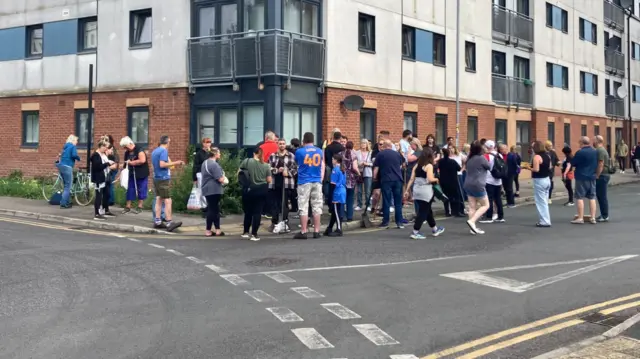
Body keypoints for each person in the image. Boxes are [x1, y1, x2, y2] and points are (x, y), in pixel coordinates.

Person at [405, 149, 445, 238]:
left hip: (416, 190)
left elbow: (411, 179)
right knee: (423, 211)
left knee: (427, 210)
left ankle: (435, 229)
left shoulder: (417, 165)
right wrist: (437, 179)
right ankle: (415, 232)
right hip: (426, 191)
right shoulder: (429, 166)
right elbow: (430, 179)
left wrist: (407, 190)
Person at [294, 132, 325, 240]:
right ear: (313, 140)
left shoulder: (299, 151)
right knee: (317, 205)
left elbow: (297, 163)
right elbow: (322, 165)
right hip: (316, 180)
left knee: (303, 206)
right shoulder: (319, 151)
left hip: (304, 181)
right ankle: (316, 231)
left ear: (303, 140)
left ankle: (304, 231)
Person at [151, 135, 184, 232]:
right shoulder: (163, 151)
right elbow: (162, 164)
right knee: (168, 200)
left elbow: (156, 165)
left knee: (158, 199)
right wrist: (176, 163)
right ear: (167, 142)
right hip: (163, 178)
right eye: (169, 142)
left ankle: (157, 221)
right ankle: (169, 223)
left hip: (156, 177)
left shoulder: (155, 151)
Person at [239, 147, 272, 241]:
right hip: (261, 190)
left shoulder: (247, 161)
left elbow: (239, 173)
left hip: (248, 189)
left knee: (248, 212)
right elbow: (269, 180)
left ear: (254, 153)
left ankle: (245, 232)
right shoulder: (266, 165)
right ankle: (254, 234)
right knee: (257, 212)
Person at [373, 140, 405, 229]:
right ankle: (399, 222)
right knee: (398, 202)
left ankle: (385, 222)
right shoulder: (397, 154)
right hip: (398, 179)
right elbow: (402, 165)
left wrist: (374, 178)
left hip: (386, 180)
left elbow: (376, 168)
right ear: (391, 146)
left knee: (386, 201)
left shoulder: (380, 154)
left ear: (384, 146)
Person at [268, 138, 297, 232]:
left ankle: (285, 221)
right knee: (275, 204)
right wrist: (277, 170)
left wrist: (287, 172)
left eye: (283, 144)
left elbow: (295, 169)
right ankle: (274, 222)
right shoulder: (273, 156)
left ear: (285, 145)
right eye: (280, 144)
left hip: (287, 183)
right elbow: (269, 168)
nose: (282, 145)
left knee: (285, 203)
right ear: (277, 145)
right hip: (275, 182)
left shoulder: (291, 156)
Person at [464, 141, 491, 234]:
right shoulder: (481, 158)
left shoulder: (469, 158)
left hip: (468, 183)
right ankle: (472, 221)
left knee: (472, 207)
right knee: (486, 205)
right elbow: (489, 167)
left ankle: (472, 228)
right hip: (478, 184)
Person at [571, 136, 598, 224]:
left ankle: (580, 217)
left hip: (581, 176)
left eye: (579, 143)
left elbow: (573, 163)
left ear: (582, 143)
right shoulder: (595, 151)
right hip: (592, 176)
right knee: (592, 197)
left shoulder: (580, 152)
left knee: (579, 197)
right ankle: (593, 217)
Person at [120, 136, 149, 214]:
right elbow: (125, 162)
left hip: (141, 173)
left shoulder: (139, 149)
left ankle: (140, 206)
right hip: (131, 173)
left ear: (130, 144)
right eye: (124, 147)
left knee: (141, 188)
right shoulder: (127, 152)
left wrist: (132, 163)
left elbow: (142, 160)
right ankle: (128, 206)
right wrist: (122, 171)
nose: (125, 149)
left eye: (125, 147)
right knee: (130, 188)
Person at [201, 147, 226, 237]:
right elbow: (220, 179)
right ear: (215, 154)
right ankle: (208, 230)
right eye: (219, 153)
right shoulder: (214, 165)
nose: (220, 154)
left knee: (214, 209)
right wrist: (224, 178)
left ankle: (217, 229)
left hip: (206, 188)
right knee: (213, 210)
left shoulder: (205, 163)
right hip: (214, 189)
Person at [479, 140, 505, 224]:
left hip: (489, 180)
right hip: (498, 180)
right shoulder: (499, 155)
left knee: (489, 199)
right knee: (498, 199)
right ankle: (500, 216)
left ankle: (489, 217)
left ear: (486, 147)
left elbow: (483, 167)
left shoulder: (486, 156)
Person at [90, 139, 116, 220]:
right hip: (98, 178)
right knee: (98, 196)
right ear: (101, 146)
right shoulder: (95, 155)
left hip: (104, 177)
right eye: (105, 147)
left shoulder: (102, 154)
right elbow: (97, 167)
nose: (106, 149)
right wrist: (108, 163)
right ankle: (97, 214)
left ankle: (104, 211)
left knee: (106, 194)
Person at [528, 141, 552, 227]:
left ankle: (544, 221)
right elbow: (550, 167)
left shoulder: (536, 157)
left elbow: (536, 169)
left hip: (539, 180)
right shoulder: (547, 155)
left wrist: (528, 168)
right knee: (544, 201)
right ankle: (546, 219)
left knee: (541, 202)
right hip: (547, 179)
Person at [324, 154, 347, 237]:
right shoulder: (342, 168)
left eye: (333, 159)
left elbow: (333, 184)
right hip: (342, 191)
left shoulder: (335, 170)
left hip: (337, 192)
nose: (332, 160)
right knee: (335, 211)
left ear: (336, 160)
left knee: (337, 212)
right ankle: (329, 227)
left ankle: (339, 229)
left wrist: (330, 196)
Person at [439, 148, 464, 217]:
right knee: (456, 196)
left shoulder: (440, 161)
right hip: (453, 181)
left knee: (446, 196)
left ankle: (447, 212)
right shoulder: (453, 161)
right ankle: (456, 211)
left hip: (443, 181)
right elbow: (459, 168)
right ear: (449, 153)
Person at [57, 135, 81, 208]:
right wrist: (78, 158)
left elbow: (62, 155)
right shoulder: (72, 147)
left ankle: (66, 202)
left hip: (61, 166)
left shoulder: (65, 147)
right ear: (73, 140)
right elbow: (74, 155)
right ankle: (63, 204)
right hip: (67, 166)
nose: (77, 142)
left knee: (65, 186)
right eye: (76, 141)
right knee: (68, 186)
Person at [193, 137, 212, 217]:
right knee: (203, 191)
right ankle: (204, 209)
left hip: (210, 175)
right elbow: (195, 166)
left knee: (210, 191)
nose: (208, 144)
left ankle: (210, 208)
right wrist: (194, 178)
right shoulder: (199, 154)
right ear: (203, 143)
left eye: (209, 142)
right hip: (201, 174)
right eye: (206, 142)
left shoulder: (211, 153)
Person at [594, 135, 611, 222]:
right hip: (604, 175)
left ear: (597, 141)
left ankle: (605, 215)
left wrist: (597, 175)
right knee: (600, 196)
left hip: (602, 175)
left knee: (602, 196)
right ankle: (604, 214)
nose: (593, 142)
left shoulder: (600, 150)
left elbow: (601, 164)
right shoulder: (602, 150)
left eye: (594, 140)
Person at [343, 141, 360, 221]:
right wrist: (359, 174)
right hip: (351, 179)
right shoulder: (354, 154)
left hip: (343, 178)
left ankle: (342, 215)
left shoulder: (342, 153)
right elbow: (355, 167)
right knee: (350, 198)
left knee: (343, 198)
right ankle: (349, 216)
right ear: (353, 147)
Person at [355, 139, 373, 212]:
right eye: (362, 143)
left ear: (367, 144)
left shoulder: (371, 153)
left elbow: (373, 163)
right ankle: (359, 204)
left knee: (368, 190)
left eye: (364, 143)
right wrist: (360, 164)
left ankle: (368, 205)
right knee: (359, 190)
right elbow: (355, 162)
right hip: (359, 172)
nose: (363, 145)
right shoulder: (357, 152)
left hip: (368, 172)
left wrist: (367, 164)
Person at [106, 135, 119, 206]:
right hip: (111, 167)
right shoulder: (112, 148)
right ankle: (110, 199)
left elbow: (115, 159)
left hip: (112, 168)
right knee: (110, 184)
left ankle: (110, 200)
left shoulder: (111, 149)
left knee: (110, 184)